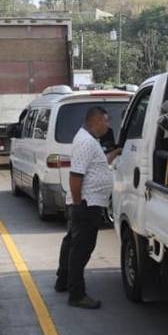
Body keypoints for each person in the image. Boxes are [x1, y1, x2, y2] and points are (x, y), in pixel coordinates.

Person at [56, 106, 122, 309]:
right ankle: (77, 294)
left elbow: (99, 163)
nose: (108, 125)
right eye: (106, 121)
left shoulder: (89, 140)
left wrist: (116, 152)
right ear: (96, 121)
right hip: (86, 204)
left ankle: (63, 280)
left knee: (71, 243)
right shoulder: (86, 142)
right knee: (81, 249)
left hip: (86, 202)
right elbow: (76, 176)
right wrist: (78, 205)